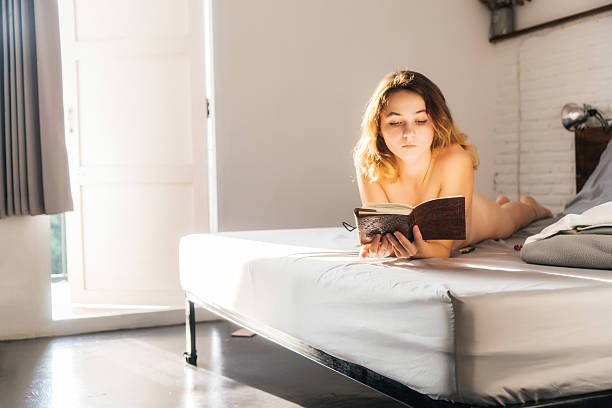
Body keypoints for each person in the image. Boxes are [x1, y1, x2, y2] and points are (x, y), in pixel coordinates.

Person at [353, 70, 552, 259]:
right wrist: (378, 248)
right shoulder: (368, 161)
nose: (408, 133)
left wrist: (415, 251)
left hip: (476, 218)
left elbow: (442, 249)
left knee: (508, 221)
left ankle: (531, 208)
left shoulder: (455, 160)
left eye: (421, 120)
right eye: (395, 122)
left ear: (436, 123)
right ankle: (502, 202)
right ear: (378, 126)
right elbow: (377, 236)